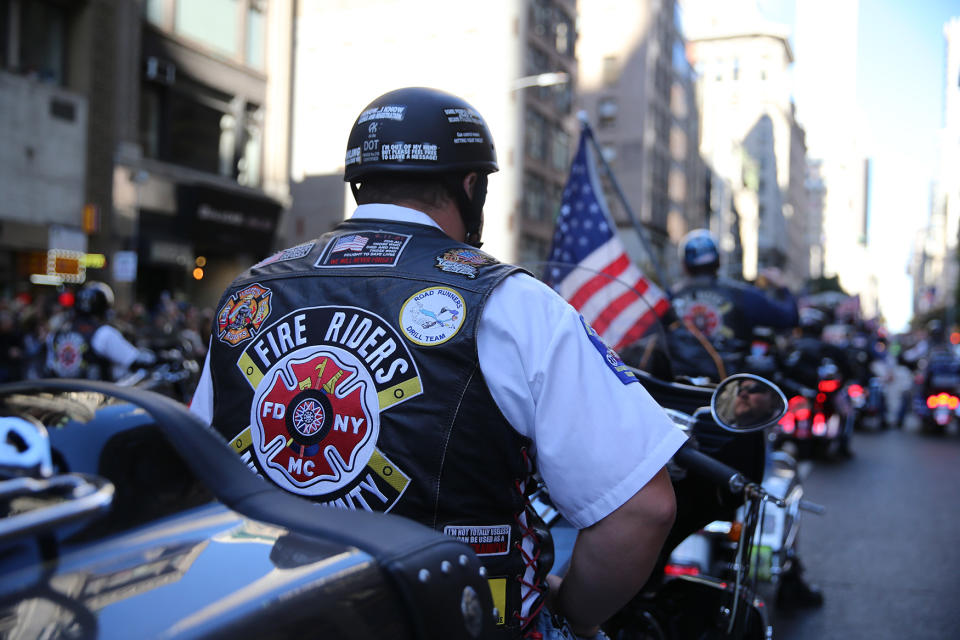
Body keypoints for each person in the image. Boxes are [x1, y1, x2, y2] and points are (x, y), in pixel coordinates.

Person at [189, 87, 687, 640]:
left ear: (360, 183)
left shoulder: (248, 292)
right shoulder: (513, 303)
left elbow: (201, 477)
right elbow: (643, 508)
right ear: (471, 187)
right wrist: (570, 612)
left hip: (273, 617)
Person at [668, 229, 799, 380]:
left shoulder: (668, 298)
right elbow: (789, 318)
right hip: (728, 389)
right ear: (719, 260)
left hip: (674, 387)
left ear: (684, 264)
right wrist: (781, 286)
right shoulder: (744, 295)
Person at [45, 281, 154, 381]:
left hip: (61, 398)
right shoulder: (104, 334)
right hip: (97, 399)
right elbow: (136, 360)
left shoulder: (56, 334)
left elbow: (50, 367)